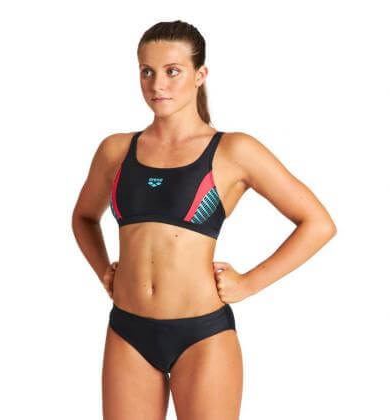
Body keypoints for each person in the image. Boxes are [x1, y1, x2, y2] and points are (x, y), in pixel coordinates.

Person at [71, 20, 337, 420]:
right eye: (147, 71)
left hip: (202, 336)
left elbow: (318, 223)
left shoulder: (234, 150)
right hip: (127, 332)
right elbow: (83, 217)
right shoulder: (115, 150)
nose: (158, 84)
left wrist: (249, 283)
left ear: (200, 75)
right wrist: (102, 271)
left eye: (172, 71)